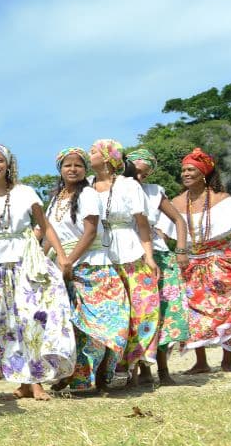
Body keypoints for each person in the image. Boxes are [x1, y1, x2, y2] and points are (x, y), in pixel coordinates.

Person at [0, 143, 75, 400]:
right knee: (9, 325)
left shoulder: (26, 193)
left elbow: (45, 226)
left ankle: (36, 381)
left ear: (8, 164)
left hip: (28, 264)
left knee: (33, 320)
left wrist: (61, 256)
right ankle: (24, 382)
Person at [45, 147, 128, 393]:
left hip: (92, 264)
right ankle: (72, 375)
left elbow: (90, 231)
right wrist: (43, 259)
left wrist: (69, 260)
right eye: (67, 165)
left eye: (78, 165)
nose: (73, 169)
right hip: (63, 265)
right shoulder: (56, 198)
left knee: (102, 321)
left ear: (85, 169)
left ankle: (103, 374)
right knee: (71, 325)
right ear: (60, 169)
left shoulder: (88, 194)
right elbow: (51, 235)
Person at [88, 139, 160, 380]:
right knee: (111, 314)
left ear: (108, 157)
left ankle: (137, 366)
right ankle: (105, 369)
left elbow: (142, 224)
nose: (90, 154)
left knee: (140, 309)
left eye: (94, 151)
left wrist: (149, 256)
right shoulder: (86, 185)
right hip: (98, 252)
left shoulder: (129, 185)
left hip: (129, 249)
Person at [125, 148, 191, 384]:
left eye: (144, 174)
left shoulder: (153, 192)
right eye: (135, 172)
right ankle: (140, 371)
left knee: (163, 313)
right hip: (128, 256)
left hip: (159, 257)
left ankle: (163, 370)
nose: (139, 178)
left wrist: (181, 249)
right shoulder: (115, 190)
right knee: (136, 315)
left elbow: (179, 220)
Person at [171, 148, 231, 373]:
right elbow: (161, 232)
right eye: (183, 170)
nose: (185, 174)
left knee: (226, 308)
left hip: (221, 262)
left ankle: (227, 360)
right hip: (190, 263)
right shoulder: (177, 202)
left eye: (191, 170)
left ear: (204, 173)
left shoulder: (223, 200)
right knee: (192, 312)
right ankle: (201, 362)